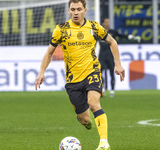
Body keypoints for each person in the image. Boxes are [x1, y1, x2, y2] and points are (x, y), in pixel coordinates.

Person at [35, 1, 125, 150]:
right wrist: (41, 72)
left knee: (94, 104)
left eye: (79, 9)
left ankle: (104, 143)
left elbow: (112, 42)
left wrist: (118, 64)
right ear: (69, 11)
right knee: (84, 120)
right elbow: (49, 52)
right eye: (73, 9)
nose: (76, 12)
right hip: (73, 80)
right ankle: (85, 121)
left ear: (85, 10)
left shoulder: (94, 27)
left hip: (92, 72)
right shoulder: (61, 30)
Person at [99, 17, 141, 97]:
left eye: (108, 22)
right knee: (100, 74)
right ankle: (102, 90)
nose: (108, 23)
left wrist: (133, 37)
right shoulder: (99, 32)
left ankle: (112, 91)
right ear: (102, 23)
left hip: (110, 56)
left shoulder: (112, 32)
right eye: (106, 22)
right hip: (101, 56)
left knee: (112, 73)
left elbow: (122, 36)